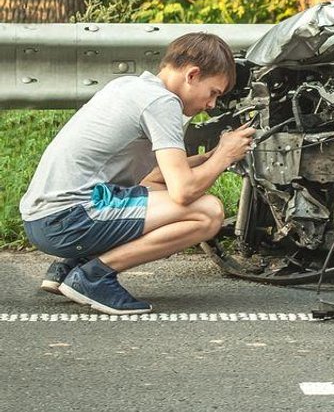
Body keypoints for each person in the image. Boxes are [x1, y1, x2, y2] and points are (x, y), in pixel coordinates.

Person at [19, 32, 256, 315]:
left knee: (157, 189)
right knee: (208, 212)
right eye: (213, 92)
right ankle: (93, 276)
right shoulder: (163, 103)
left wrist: (210, 156)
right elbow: (183, 191)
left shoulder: (131, 86)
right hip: (67, 219)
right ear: (192, 75)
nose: (212, 105)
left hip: (43, 217)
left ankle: (69, 266)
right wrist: (224, 156)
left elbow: (157, 176)